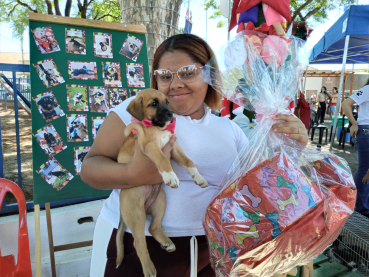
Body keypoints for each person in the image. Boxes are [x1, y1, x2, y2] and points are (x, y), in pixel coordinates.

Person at [80, 33, 309, 277]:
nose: (176, 83)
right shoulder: (136, 113)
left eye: (188, 72)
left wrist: (291, 148)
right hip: (141, 246)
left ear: (209, 75)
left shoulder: (229, 129)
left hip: (213, 251)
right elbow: (90, 167)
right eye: (165, 76)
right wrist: (131, 174)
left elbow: (254, 188)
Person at [341, 78, 369, 219]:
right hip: (365, 131)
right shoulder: (367, 89)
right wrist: (354, 123)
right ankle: (361, 208)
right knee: (365, 169)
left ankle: (363, 205)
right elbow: (346, 104)